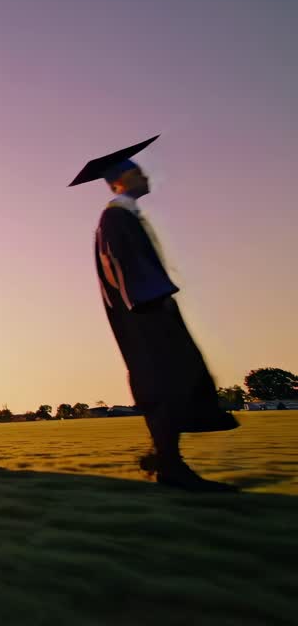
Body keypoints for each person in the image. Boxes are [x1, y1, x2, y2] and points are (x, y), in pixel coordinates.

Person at [70, 135, 238, 491]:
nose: (145, 177)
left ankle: (165, 458)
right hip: (146, 313)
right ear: (120, 180)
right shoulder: (114, 219)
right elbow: (123, 266)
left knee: (176, 380)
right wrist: (154, 300)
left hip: (151, 308)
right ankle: (169, 465)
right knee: (165, 382)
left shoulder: (126, 217)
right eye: (137, 172)